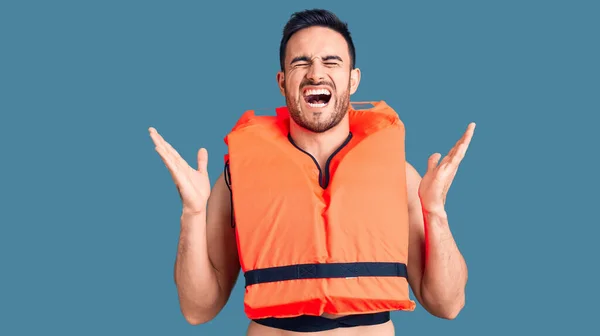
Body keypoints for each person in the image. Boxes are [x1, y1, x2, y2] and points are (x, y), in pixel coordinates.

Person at [149, 8, 474, 335]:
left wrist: (435, 212)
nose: (316, 73)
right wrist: (192, 213)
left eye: (331, 62)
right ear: (281, 81)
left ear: (353, 79)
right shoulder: (238, 178)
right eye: (300, 62)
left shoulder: (399, 176)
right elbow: (196, 310)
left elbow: (447, 305)